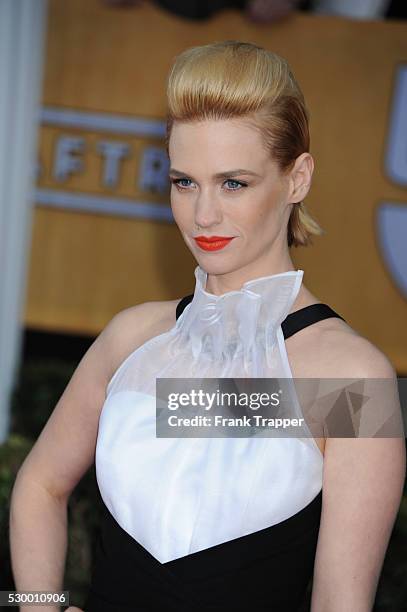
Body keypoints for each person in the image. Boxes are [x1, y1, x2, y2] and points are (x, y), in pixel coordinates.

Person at [10, 41, 405, 612]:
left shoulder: (351, 376)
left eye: (234, 183)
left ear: (297, 179)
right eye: (184, 182)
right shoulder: (132, 338)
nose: (203, 215)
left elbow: (342, 604)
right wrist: (37, 606)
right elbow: (40, 486)